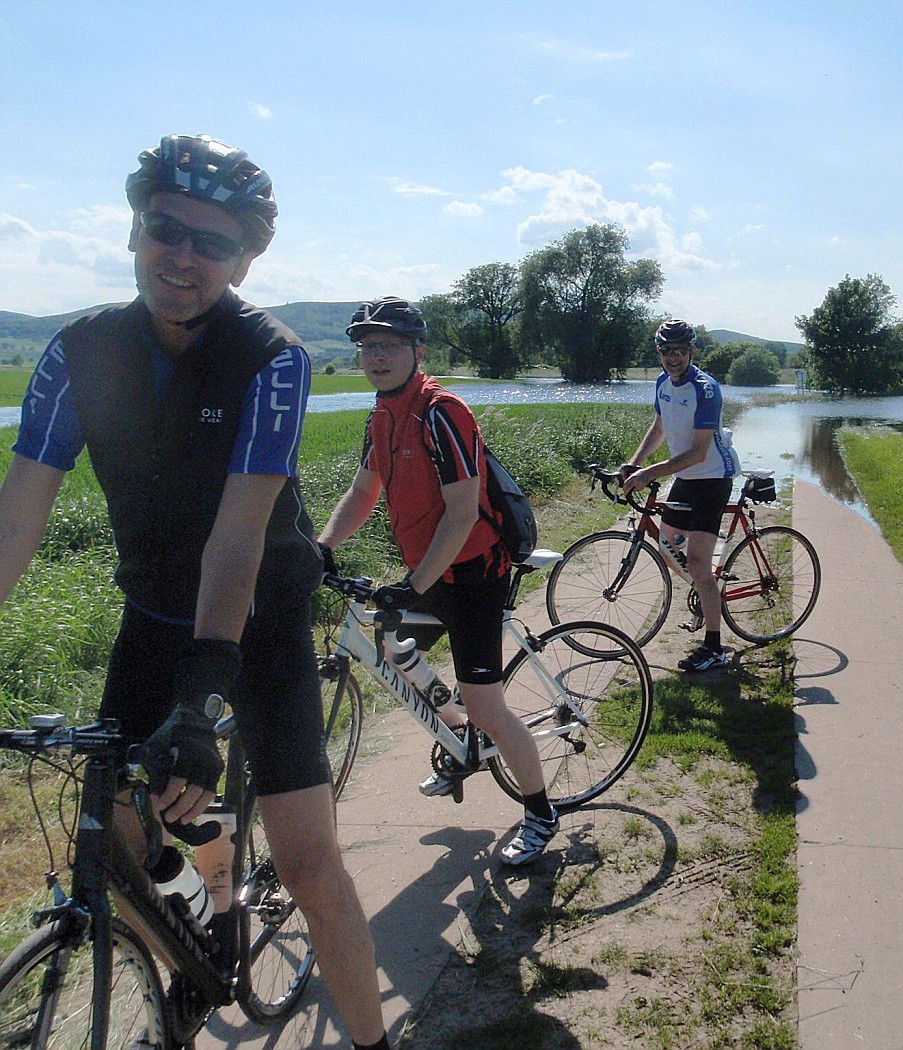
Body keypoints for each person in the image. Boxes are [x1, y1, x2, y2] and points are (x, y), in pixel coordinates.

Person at [0, 135, 393, 1050]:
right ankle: (182, 937)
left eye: (210, 244)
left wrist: (207, 689)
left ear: (246, 259)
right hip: (151, 618)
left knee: (307, 864)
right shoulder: (77, 351)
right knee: (122, 850)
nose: (181, 255)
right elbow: (17, 523)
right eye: (163, 229)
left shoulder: (273, 359)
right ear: (136, 229)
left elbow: (238, 535)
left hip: (256, 626)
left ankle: (377, 1042)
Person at [316, 297, 559, 865]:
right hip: (431, 571)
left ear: (416, 351)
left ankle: (540, 812)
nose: (376, 357)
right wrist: (322, 547)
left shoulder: (440, 411)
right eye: (367, 346)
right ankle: (460, 743)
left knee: (488, 708)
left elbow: (462, 509)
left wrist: (414, 583)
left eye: (389, 345)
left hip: (474, 573)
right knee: (391, 647)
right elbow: (363, 491)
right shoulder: (381, 415)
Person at [621, 318, 741, 672]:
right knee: (668, 545)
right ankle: (707, 592)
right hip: (686, 477)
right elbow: (659, 428)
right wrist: (633, 463)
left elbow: (699, 453)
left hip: (711, 477)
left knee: (700, 563)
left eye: (679, 351)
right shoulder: (662, 383)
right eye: (666, 352)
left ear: (691, 351)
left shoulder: (705, 389)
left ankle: (714, 646)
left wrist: (649, 474)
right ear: (658, 353)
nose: (672, 358)